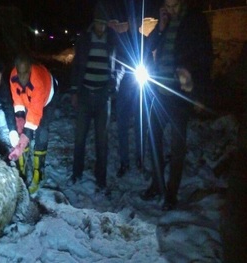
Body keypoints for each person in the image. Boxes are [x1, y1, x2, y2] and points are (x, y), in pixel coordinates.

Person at [140, 0, 213, 210]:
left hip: (179, 95)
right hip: (160, 92)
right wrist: (161, 29)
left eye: (174, 5)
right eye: (167, 6)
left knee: (177, 146)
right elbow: (150, 46)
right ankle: (156, 184)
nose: (170, 9)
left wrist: (194, 80)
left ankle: (171, 194)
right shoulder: (167, 23)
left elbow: (204, 56)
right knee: (153, 139)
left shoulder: (195, 21)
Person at [69, 1, 122, 192]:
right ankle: (76, 173)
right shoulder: (84, 39)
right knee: (80, 138)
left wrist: (114, 84)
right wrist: (74, 91)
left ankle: (101, 178)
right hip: (85, 95)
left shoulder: (112, 40)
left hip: (102, 98)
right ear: (94, 22)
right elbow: (76, 67)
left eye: (104, 23)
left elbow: (120, 66)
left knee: (102, 140)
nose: (101, 27)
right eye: (98, 23)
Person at [8, 53, 58, 194]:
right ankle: (21, 172)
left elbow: (34, 117)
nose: (22, 78)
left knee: (41, 131)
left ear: (30, 69)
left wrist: (23, 140)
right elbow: (18, 104)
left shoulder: (38, 82)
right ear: (16, 69)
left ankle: (38, 172)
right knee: (21, 130)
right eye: (20, 73)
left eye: (25, 73)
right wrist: (19, 126)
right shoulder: (13, 77)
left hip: (48, 98)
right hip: (28, 99)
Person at [115, 8, 154, 177]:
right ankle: (124, 161)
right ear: (128, 23)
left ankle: (140, 159)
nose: (133, 22)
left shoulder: (145, 41)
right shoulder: (121, 40)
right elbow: (115, 63)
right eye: (130, 20)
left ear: (139, 23)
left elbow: (150, 65)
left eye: (136, 20)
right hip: (124, 88)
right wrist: (115, 83)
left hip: (140, 88)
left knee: (140, 125)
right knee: (122, 126)